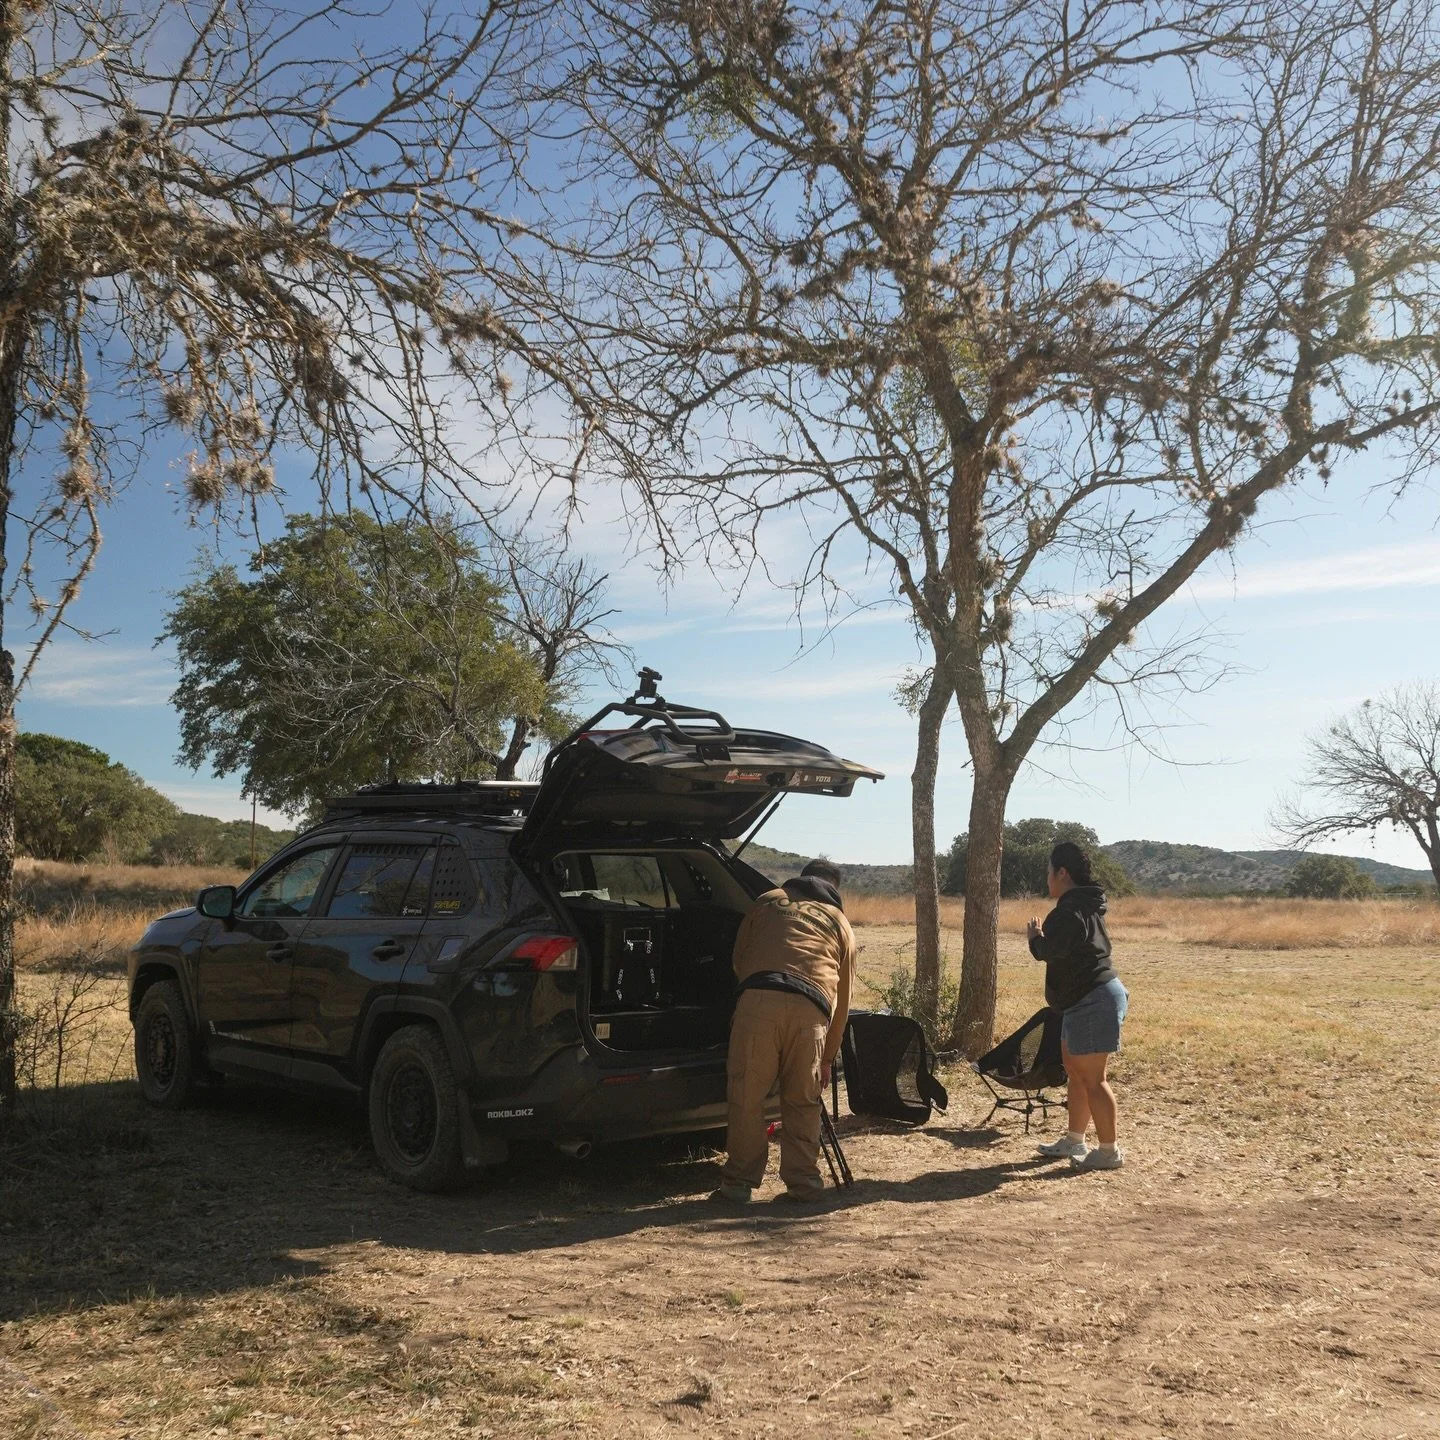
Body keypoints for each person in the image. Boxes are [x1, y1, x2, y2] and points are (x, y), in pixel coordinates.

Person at [713, 858, 857, 1204]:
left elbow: (739, 957)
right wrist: (828, 1057)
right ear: (834, 889)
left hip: (759, 1001)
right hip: (812, 1012)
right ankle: (804, 1185)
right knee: (803, 1101)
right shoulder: (841, 923)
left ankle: (737, 1186)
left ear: (802, 878)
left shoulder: (766, 901)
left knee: (747, 1097)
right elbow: (845, 998)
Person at [1025, 841, 1129, 1171]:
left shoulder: (1070, 910)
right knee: (1075, 1069)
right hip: (1082, 1000)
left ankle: (1109, 1152)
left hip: (1093, 1000)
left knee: (1094, 1077)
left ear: (1062, 873)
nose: (1047, 879)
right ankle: (1074, 1140)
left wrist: (1035, 938)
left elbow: (1050, 949)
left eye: (1048, 872)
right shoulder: (1082, 904)